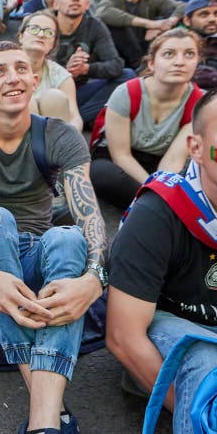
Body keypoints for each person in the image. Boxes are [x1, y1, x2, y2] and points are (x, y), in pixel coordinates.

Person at [0, 41, 108, 434]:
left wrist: (93, 279)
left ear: (34, 80)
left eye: (20, 68)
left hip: (35, 259)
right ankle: (51, 405)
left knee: (68, 239)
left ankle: (44, 423)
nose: (12, 77)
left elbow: (90, 217)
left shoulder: (59, 135)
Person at [106, 89, 217, 434]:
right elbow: (123, 337)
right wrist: (196, 411)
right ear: (196, 148)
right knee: (206, 366)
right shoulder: (159, 212)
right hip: (173, 331)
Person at [90, 30, 203, 210]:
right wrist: (153, 192)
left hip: (162, 164)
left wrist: (160, 187)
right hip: (123, 162)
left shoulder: (198, 103)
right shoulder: (126, 92)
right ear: (151, 63)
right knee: (101, 174)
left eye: (189, 54)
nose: (180, 62)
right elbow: (121, 155)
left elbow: (173, 160)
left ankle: (151, 208)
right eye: (169, 54)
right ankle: (157, 208)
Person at [53, 0, 128, 125]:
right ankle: (91, 118)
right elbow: (34, 69)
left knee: (127, 76)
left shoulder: (95, 26)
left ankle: (76, 118)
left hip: (80, 92)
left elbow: (115, 64)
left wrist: (85, 69)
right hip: (51, 92)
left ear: (87, 3)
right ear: (56, 4)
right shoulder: (46, 24)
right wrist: (66, 73)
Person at [96, 0, 185, 71]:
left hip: (146, 49)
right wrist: (150, 24)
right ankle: (141, 68)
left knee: (174, 16)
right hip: (120, 56)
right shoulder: (112, 0)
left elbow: (182, 6)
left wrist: (166, 24)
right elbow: (102, 12)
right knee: (116, 25)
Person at [18, 11, 83, 130]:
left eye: (48, 32)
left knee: (54, 97)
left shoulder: (61, 75)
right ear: (21, 36)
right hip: (9, 136)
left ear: (53, 44)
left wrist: (72, 138)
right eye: (34, 29)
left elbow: (74, 117)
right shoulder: (2, 66)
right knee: (27, 101)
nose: (41, 35)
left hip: (51, 139)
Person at [183, 0, 217, 89]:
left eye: (216, 14)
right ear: (187, 21)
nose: (212, 19)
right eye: (204, 14)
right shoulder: (175, 42)